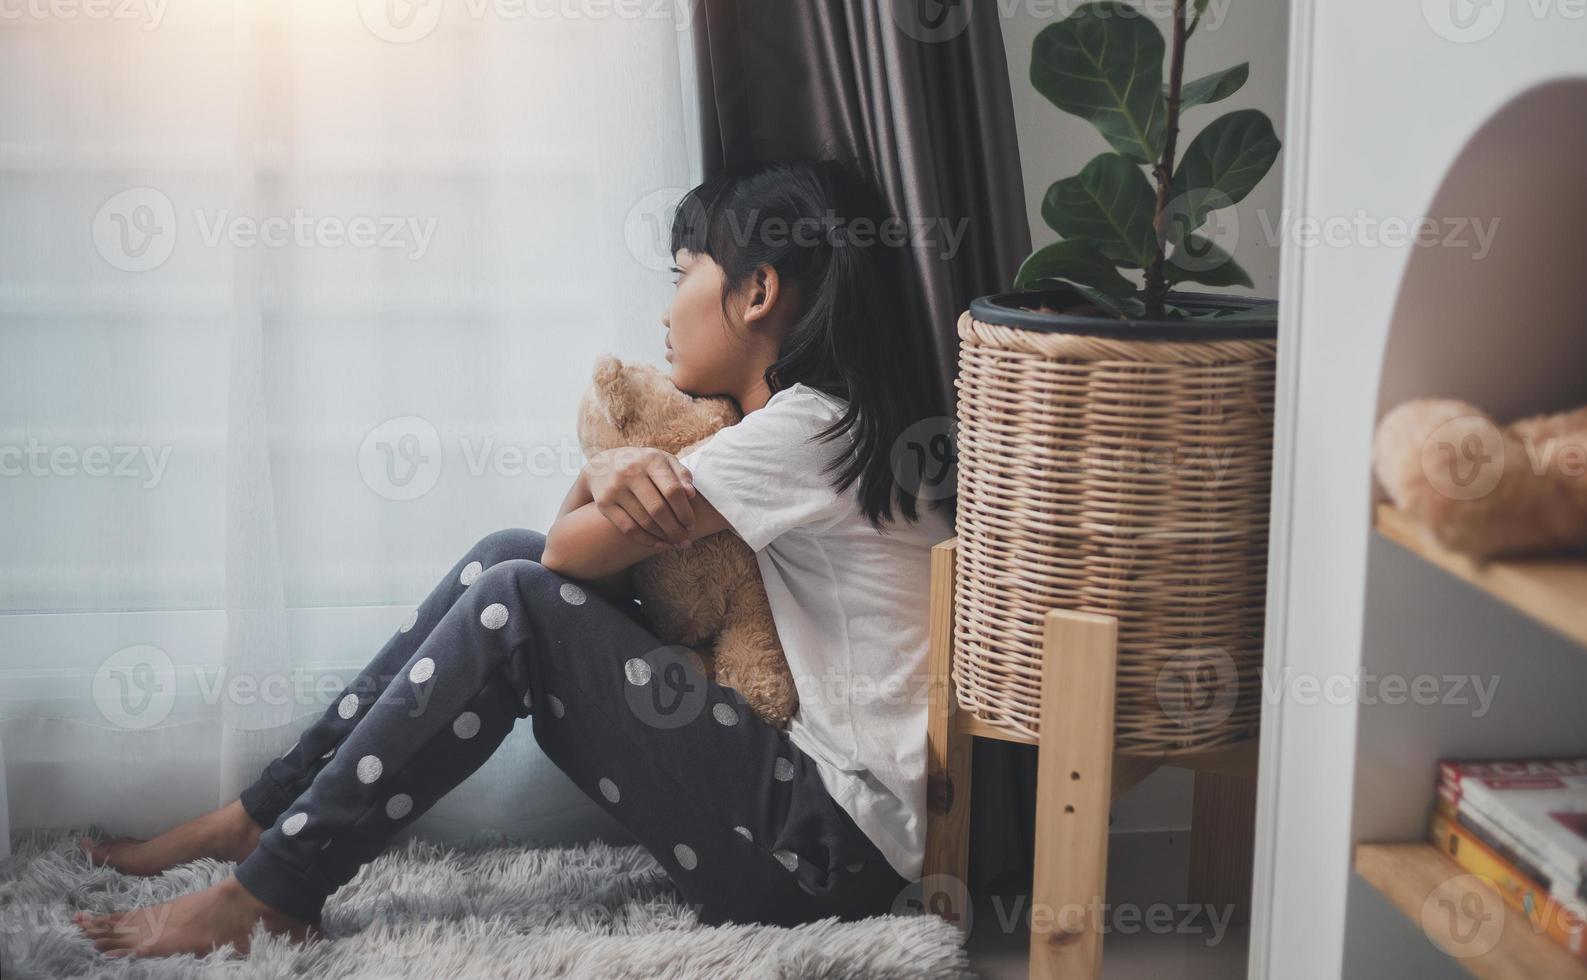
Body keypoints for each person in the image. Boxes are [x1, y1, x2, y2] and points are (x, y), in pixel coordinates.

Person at [74, 159, 958, 957]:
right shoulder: (822, 429)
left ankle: (275, 886)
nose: (665, 307)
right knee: (508, 560)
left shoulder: (800, 433)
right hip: (817, 834)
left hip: (821, 857)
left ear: (758, 291)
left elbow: (570, 560)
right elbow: (563, 557)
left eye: (683, 275)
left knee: (518, 600)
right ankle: (262, 818)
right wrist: (607, 477)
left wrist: (602, 471)